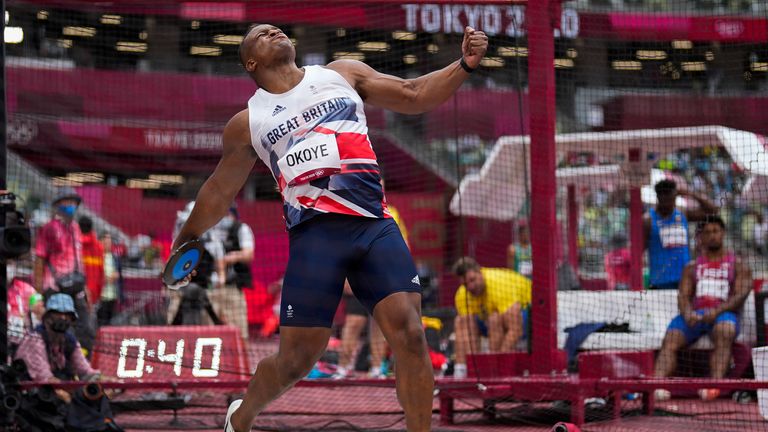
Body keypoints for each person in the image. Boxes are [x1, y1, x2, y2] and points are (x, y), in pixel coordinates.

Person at [170, 23, 488, 432]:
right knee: (295, 360)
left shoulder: (340, 74)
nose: (275, 31)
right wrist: (186, 237)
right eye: (263, 34)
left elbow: (413, 94)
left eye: (277, 29)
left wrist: (463, 65)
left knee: (410, 334)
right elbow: (218, 192)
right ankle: (242, 415)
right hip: (315, 237)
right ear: (251, 62)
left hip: (374, 225)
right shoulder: (248, 122)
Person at [653, 216, 751, 401]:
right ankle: (657, 385)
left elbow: (740, 295)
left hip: (724, 315)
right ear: (701, 237)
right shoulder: (692, 266)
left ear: (723, 233)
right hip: (696, 315)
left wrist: (717, 311)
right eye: (707, 232)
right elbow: (683, 295)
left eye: (716, 231)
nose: (712, 236)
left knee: (725, 331)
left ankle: (713, 386)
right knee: (671, 337)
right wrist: (688, 313)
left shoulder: (737, 265)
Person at [34, 193, 96, 357]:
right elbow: (39, 259)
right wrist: (39, 292)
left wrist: (86, 289)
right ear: (58, 205)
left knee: (85, 328)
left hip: (76, 287)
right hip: (55, 287)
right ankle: (61, 365)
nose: (71, 205)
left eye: (74, 202)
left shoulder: (75, 227)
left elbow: (79, 259)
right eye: (67, 202)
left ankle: (83, 365)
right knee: (59, 328)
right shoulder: (48, 228)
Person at [451, 257, 531, 379]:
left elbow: (516, 329)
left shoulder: (499, 286)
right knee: (461, 321)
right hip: (490, 321)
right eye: (466, 284)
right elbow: (467, 330)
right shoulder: (462, 295)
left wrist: (500, 359)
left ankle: (494, 368)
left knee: (494, 319)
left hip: (528, 316)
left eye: (473, 280)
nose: (470, 287)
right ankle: (465, 371)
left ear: (480, 272)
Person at [14, 293, 101, 400]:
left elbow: (85, 371)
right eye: (58, 314)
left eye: (67, 315)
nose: (63, 318)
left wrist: (106, 381)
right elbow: (45, 378)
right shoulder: (35, 339)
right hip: (33, 396)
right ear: (47, 317)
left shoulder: (69, 340)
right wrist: (74, 394)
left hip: (57, 390)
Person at [645, 179, 717, 290]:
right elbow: (639, 249)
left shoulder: (682, 213)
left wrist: (691, 193)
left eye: (672, 197)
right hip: (660, 282)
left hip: (685, 279)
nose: (670, 202)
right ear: (659, 197)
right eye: (666, 198)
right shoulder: (648, 220)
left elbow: (713, 211)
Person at [212, 205, 254, 341]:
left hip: (231, 289)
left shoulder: (241, 229)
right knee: (207, 333)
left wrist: (226, 259)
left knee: (239, 334)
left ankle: (242, 361)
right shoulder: (208, 230)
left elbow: (248, 254)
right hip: (208, 288)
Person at [336, 281, 389, 379]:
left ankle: (376, 370)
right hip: (358, 283)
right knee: (354, 323)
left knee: (378, 326)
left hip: (379, 285)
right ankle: (342, 369)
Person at [95, 232, 123, 327]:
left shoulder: (115, 257)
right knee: (100, 321)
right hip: (100, 296)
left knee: (110, 322)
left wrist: (116, 275)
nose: (108, 244)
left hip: (112, 295)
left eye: (109, 242)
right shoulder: (97, 256)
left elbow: (120, 274)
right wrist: (104, 279)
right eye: (106, 242)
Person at [79, 216, 104, 306]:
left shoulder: (75, 245)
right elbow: (102, 273)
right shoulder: (99, 247)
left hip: (76, 291)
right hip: (93, 294)